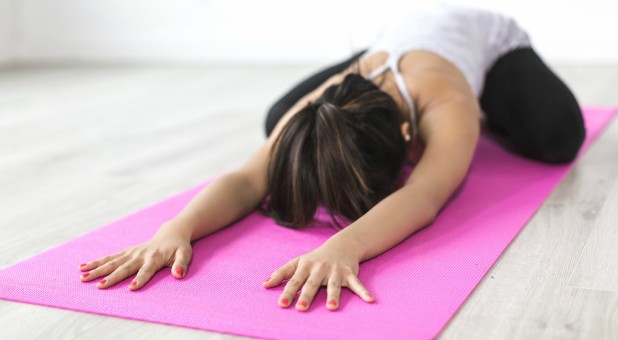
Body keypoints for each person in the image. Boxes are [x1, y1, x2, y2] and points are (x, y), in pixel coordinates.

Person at [77, 4, 585, 312]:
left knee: (560, 137)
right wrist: (176, 229)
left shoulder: (448, 105)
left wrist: (345, 246)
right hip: (391, 43)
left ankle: (495, 109)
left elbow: (425, 195)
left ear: (411, 140)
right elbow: (247, 179)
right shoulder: (326, 99)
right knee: (283, 121)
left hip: (486, 42)